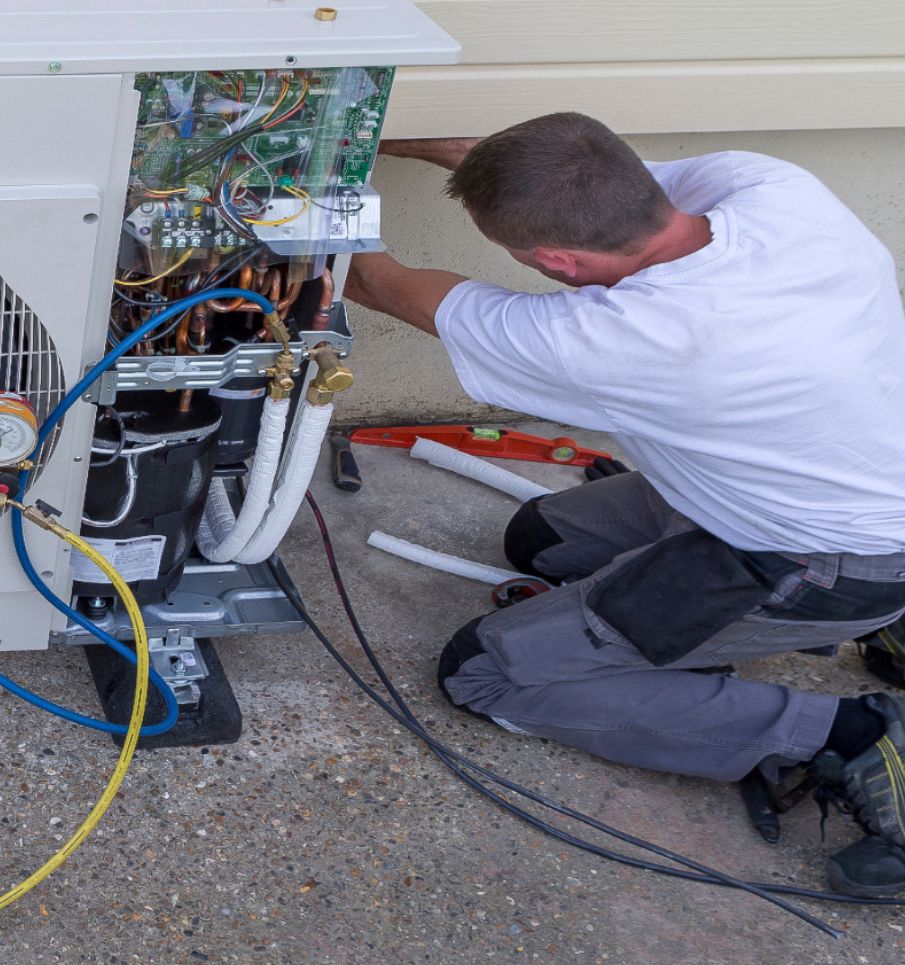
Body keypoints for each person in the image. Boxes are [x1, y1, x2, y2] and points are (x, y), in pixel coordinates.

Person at [343, 112, 905, 898]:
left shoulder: (625, 335)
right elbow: (494, 156)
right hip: (825, 487)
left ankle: (852, 735)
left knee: (487, 673)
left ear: (555, 261)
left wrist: (318, 186)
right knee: (541, 540)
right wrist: (347, 134)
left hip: (812, 559)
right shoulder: (774, 191)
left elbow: (371, 281)